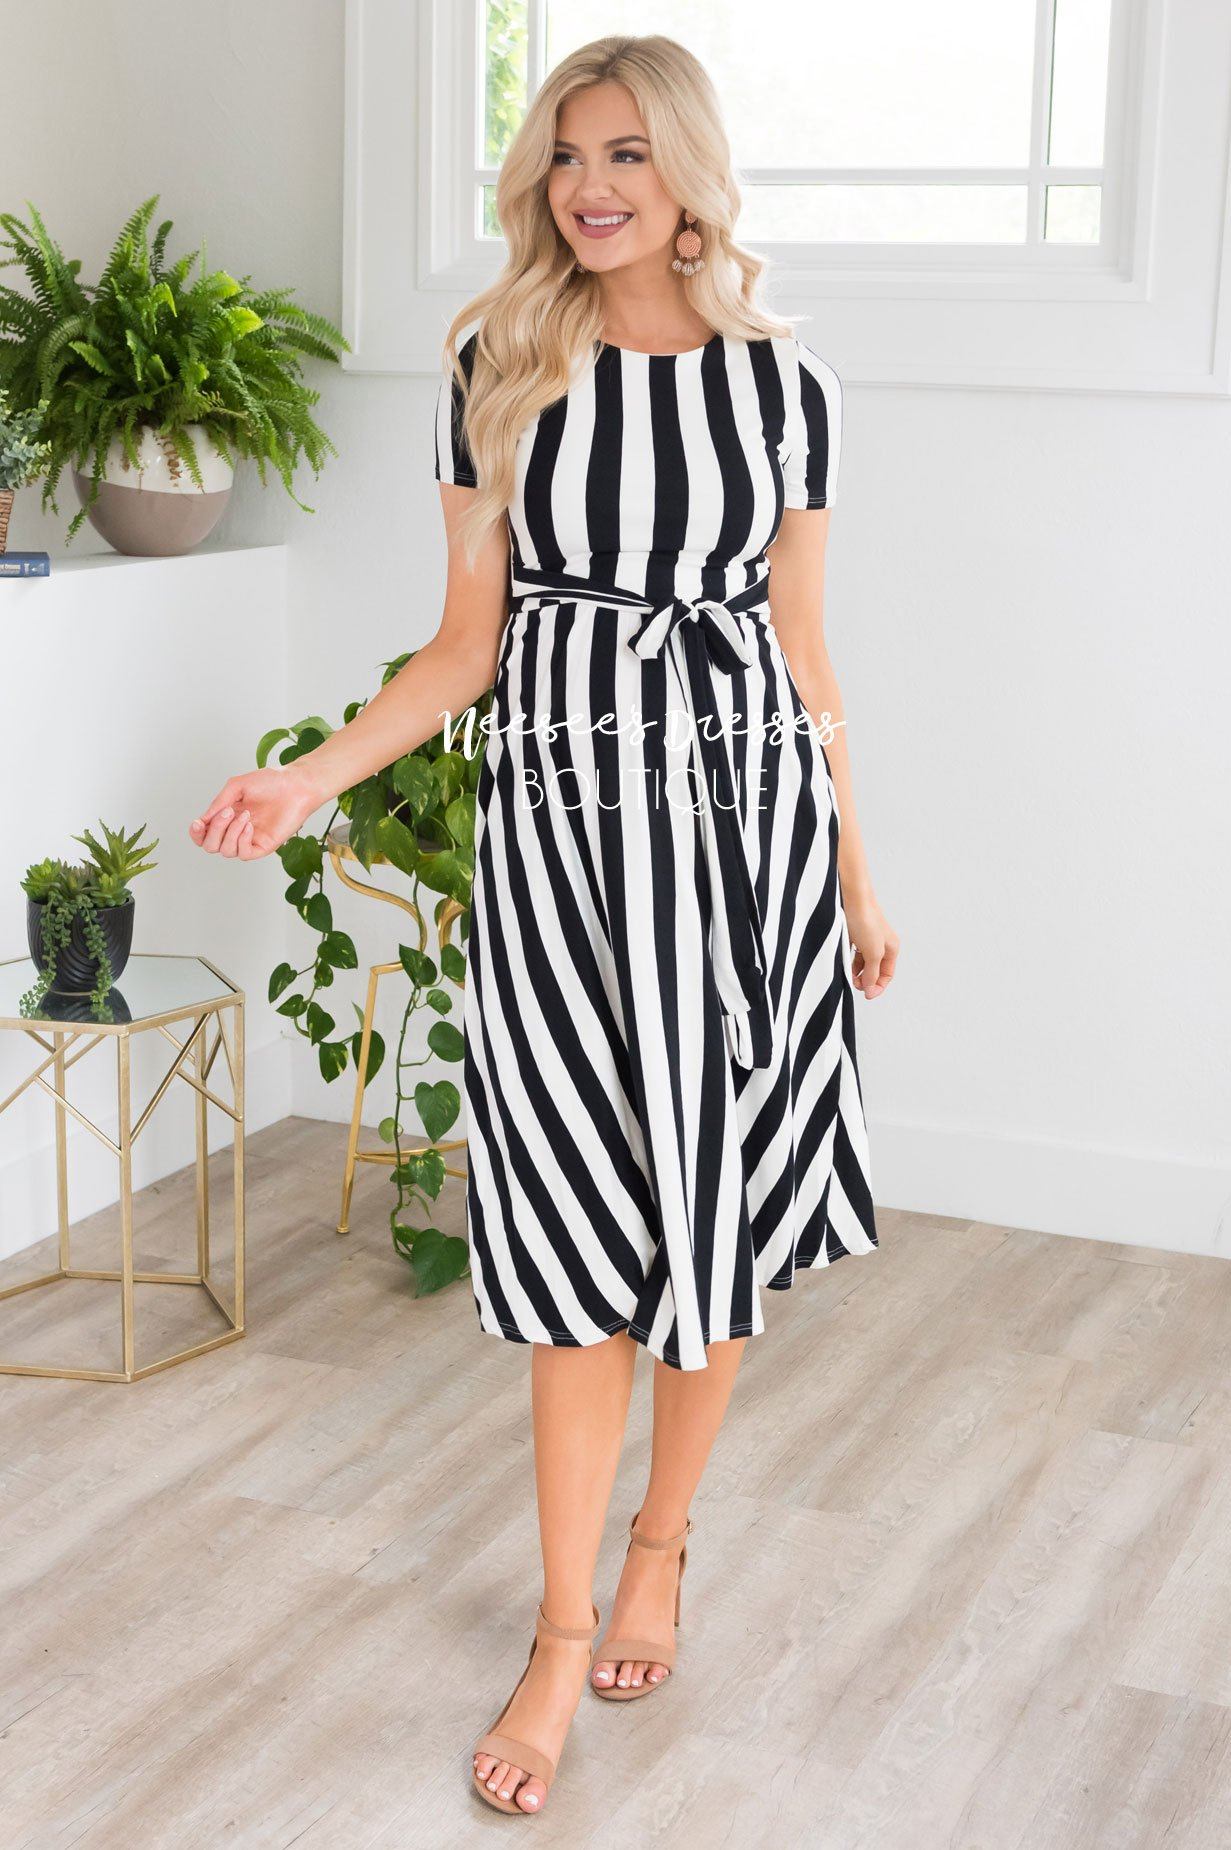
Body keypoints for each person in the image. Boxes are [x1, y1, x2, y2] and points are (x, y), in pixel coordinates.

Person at [188, 32, 899, 1820]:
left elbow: (804, 658)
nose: (590, 187)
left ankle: (665, 1544)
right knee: (582, 1234)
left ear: (689, 177)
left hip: (743, 849)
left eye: (628, 156)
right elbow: (465, 648)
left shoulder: (787, 389)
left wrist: (855, 868)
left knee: (709, 1221)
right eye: (568, 155)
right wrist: (311, 778)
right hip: (562, 857)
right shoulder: (497, 367)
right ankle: (563, 1631)